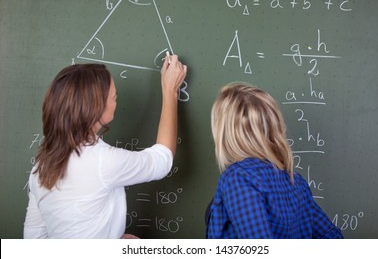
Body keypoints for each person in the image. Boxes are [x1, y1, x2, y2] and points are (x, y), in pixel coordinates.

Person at [24, 55, 187, 238]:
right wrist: (170, 91)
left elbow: (33, 237)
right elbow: (162, 160)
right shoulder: (102, 161)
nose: (116, 98)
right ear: (97, 107)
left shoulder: (41, 166)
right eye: (113, 97)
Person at [205, 82, 343, 239]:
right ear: (274, 126)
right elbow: (332, 236)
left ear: (224, 132)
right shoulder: (295, 180)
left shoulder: (238, 178)